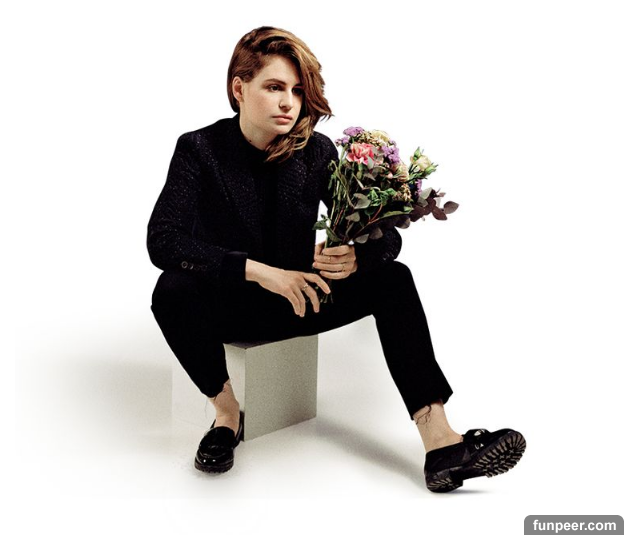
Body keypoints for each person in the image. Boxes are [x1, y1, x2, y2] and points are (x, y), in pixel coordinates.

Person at [147, 26, 526, 492]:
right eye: (274, 87)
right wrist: (263, 272)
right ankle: (227, 415)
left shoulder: (315, 151)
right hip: (230, 307)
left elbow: (387, 239)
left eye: (297, 91)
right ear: (239, 88)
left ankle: (441, 443)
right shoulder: (199, 149)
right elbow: (162, 240)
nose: (289, 102)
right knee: (172, 290)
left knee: (394, 278)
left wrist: (355, 257)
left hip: (301, 302)